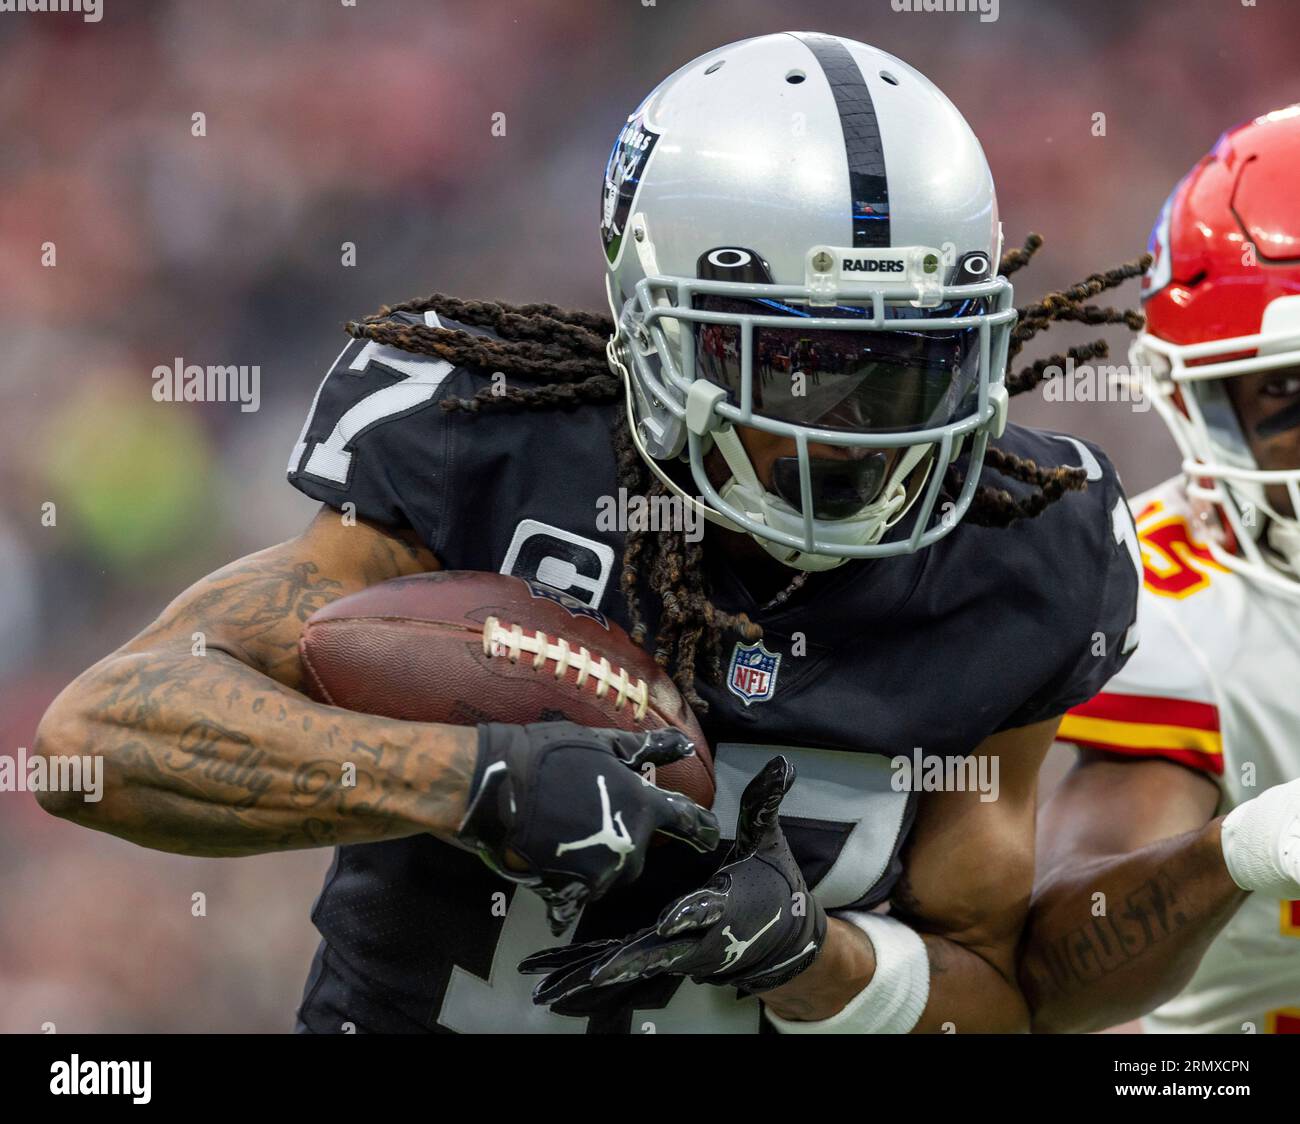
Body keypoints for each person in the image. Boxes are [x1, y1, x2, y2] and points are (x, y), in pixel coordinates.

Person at [35, 32, 1141, 1034]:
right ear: (656, 330)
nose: (855, 432)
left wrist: (816, 956)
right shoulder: (490, 445)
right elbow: (96, 739)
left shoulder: (1021, 546)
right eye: (799, 363)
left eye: (911, 363)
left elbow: (993, 995)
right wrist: (474, 779)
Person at [1021, 106, 1300, 1035]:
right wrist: (1248, 847)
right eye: (1286, 391)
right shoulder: (1185, 609)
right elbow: (1053, 979)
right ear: (1200, 403)